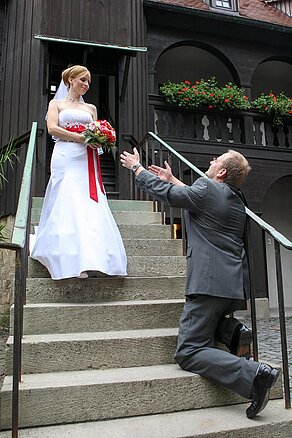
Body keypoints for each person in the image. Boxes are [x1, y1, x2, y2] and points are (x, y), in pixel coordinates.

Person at [120, 147, 279, 419]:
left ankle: (254, 374)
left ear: (222, 172)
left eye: (216, 160)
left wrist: (138, 168)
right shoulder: (237, 198)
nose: (211, 160)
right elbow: (198, 199)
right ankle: (231, 333)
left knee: (189, 351)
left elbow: (173, 197)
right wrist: (173, 179)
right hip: (231, 285)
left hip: (207, 283)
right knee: (209, 328)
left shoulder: (206, 188)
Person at [31, 65, 127, 280]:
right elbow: (52, 129)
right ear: (71, 79)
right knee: (66, 196)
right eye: (83, 80)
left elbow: (97, 129)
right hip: (64, 154)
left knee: (87, 199)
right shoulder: (55, 104)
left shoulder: (91, 108)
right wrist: (80, 138)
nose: (86, 84)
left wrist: (101, 138)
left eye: (89, 82)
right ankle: (67, 257)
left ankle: (93, 257)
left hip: (85, 157)